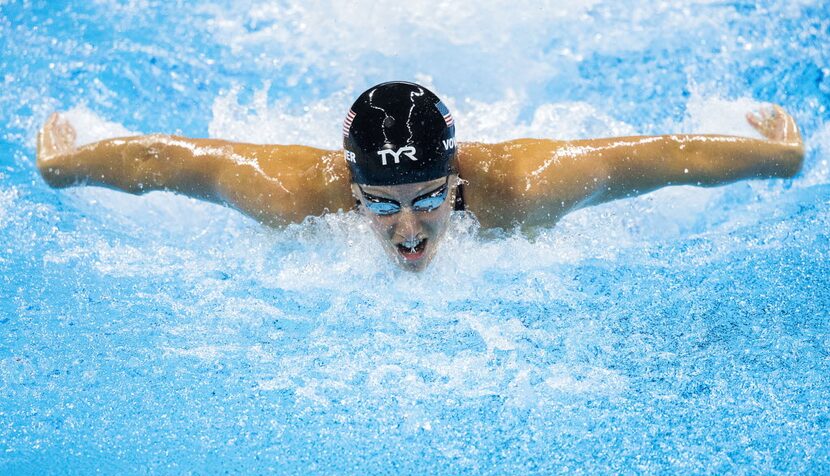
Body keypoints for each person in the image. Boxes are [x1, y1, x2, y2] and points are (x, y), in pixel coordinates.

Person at [36, 81, 804, 271]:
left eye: (431, 198)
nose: (409, 231)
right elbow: (166, 164)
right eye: (383, 205)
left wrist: (779, 158)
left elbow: (662, 159)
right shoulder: (290, 190)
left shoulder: (525, 182)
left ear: (458, 171)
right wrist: (63, 169)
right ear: (352, 185)